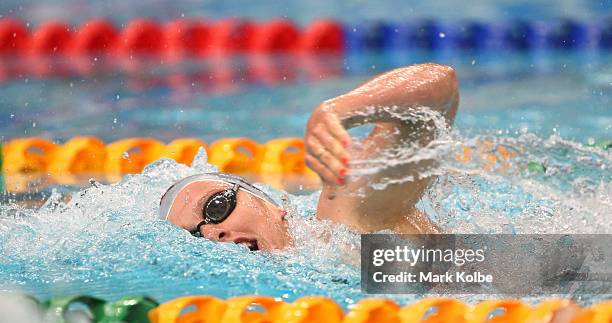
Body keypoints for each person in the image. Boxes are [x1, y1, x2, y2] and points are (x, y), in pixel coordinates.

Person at [159, 63, 459, 251]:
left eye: (216, 206)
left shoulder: (344, 222)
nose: (213, 232)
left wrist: (339, 110)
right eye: (196, 237)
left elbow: (440, 86)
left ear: (270, 203)